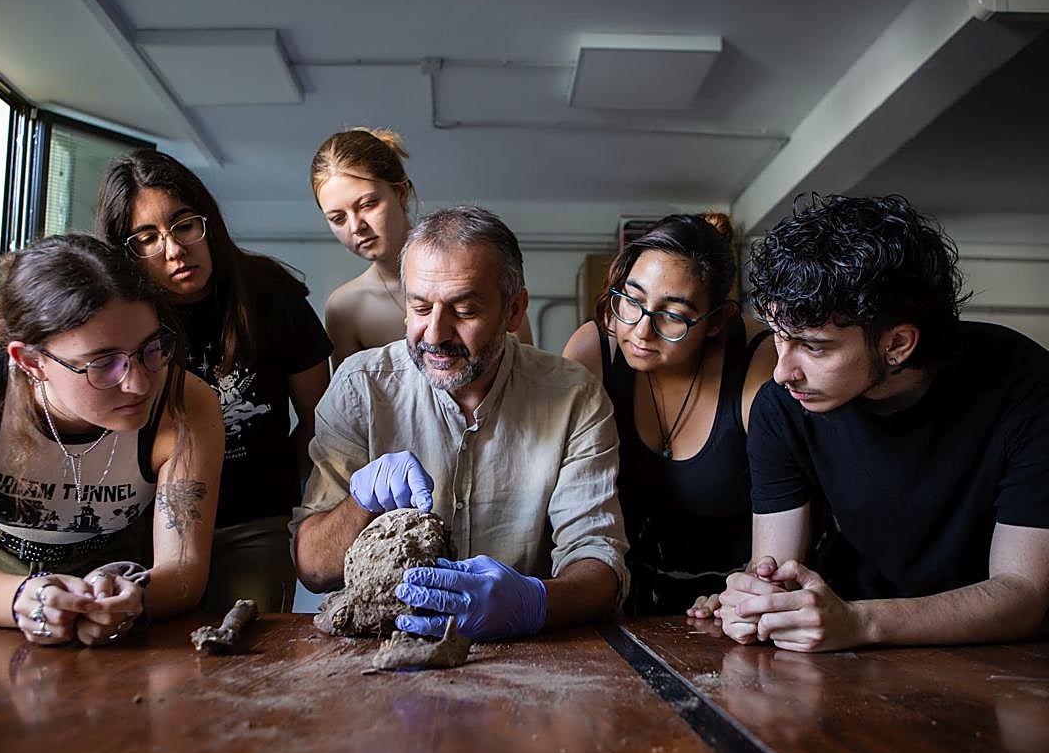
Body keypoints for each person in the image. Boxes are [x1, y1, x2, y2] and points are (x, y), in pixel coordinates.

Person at [718, 194, 1049, 652]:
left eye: (813, 347)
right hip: (859, 647)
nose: (782, 372)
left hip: (1005, 655)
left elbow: (1024, 595)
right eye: (778, 337)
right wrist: (754, 602)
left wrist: (859, 623)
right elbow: (773, 567)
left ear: (897, 343)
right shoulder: (782, 406)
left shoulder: (1028, 387)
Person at [291, 205, 629, 640]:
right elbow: (313, 569)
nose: (434, 334)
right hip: (380, 650)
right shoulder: (360, 388)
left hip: (524, 652)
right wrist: (359, 504)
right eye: (420, 307)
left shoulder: (572, 397)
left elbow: (599, 563)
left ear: (514, 310)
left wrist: (535, 602)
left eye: (464, 310)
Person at [0, 235, 224, 645]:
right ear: (30, 361)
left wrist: (129, 598)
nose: (138, 383)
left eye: (151, 349)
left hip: (105, 565)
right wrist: (25, 598)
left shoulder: (185, 402)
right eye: (104, 363)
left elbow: (184, 568)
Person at [97, 150, 332, 613]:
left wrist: (286, 499)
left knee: (245, 641)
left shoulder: (272, 296)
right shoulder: (119, 318)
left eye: (184, 226)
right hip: (149, 520)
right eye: (147, 238)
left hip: (253, 521)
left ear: (209, 223)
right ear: (125, 253)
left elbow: (318, 423)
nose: (173, 249)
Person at [563, 214, 775, 615]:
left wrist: (750, 591)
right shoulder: (595, 349)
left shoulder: (757, 361)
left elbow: (790, 497)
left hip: (733, 601)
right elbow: (563, 495)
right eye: (632, 299)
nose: (642, 330)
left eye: (673, 315)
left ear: (717, 321)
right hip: (618, 594)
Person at [310, 127, 532, 367]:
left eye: (368, 204)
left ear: (401, 192)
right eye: (338, 218)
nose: (356, 226)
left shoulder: (482, 272)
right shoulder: (345, 308)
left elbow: (524, 378)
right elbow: (352, 399)